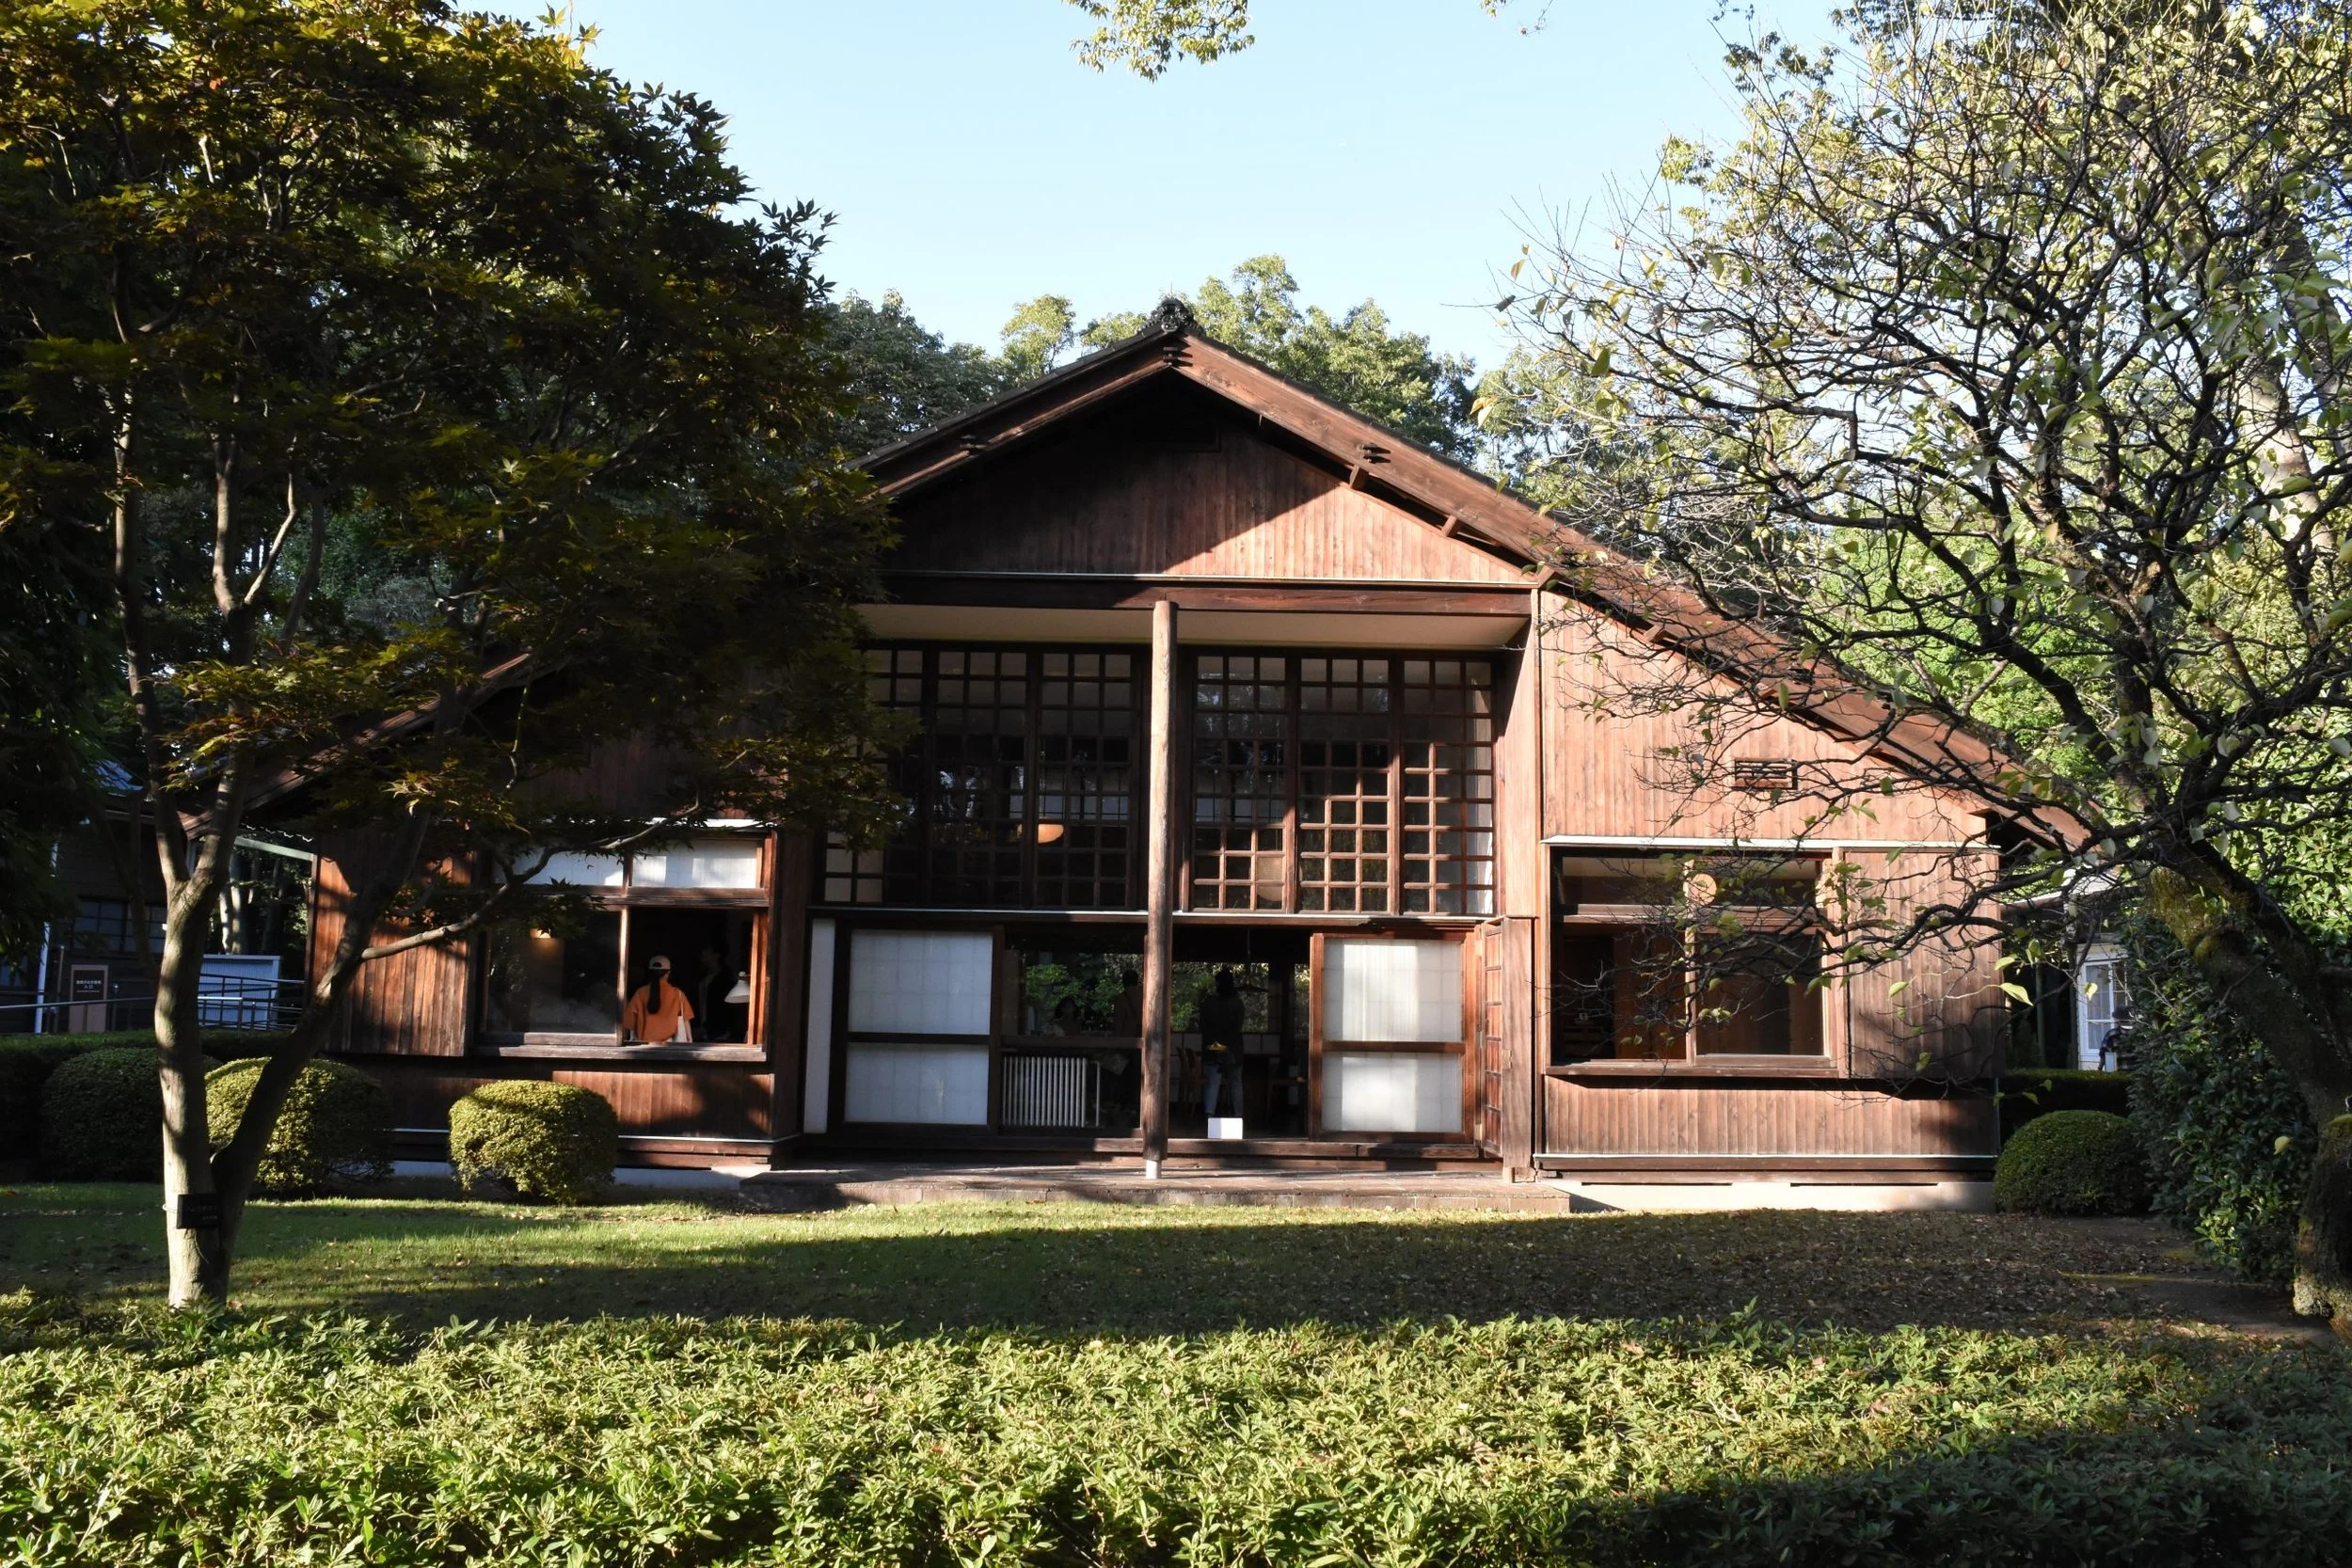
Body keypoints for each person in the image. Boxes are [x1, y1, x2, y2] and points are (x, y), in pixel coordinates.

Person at [1198, 967, 1245, 1122]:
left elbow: (1203, 1027)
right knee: (1236, 1082)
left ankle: (1209, 1115)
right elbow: (1236, 1028)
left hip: (1214, 1047)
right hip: (1233, 1048)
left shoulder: (1208, 1003)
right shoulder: (1238, 1003)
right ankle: (1238, 1116)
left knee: (1213, 1082)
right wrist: (1227, 1048)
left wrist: (1218, 1046)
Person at [622, 954, 694, 1043]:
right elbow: (685, 1019)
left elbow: (629, 1022)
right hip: (669, 1048)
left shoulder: (640, 993)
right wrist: (690, 1039)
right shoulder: (677, 994)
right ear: (668, 973)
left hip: (644, 1047)